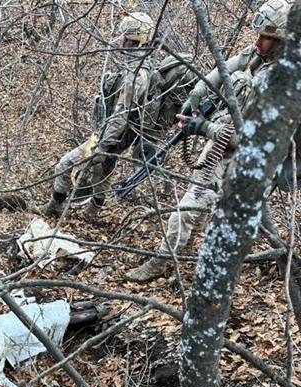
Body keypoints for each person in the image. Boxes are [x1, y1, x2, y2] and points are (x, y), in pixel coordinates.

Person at [125, 0, 292, 283]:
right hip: (221, 143)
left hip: (243, 162)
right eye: (260, 34)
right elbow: (222, 71)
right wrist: (196, 95)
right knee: (197, 200)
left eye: (267, 37)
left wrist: (204, 127)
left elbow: (256, 140)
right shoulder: (258, 54)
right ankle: (185, 253)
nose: (258, 41)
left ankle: (161, 262)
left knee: (186, 209)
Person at [41, 11, 157, 220]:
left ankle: (54, 207)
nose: (121, 41)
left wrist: (102, 145)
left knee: (65, 164)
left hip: (111, 136)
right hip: (118, 137)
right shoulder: (141, 67)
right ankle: (92, 214)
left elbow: (121, 115)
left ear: (134, 40)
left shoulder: (135, 76)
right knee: (101, 175)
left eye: (126, 37)